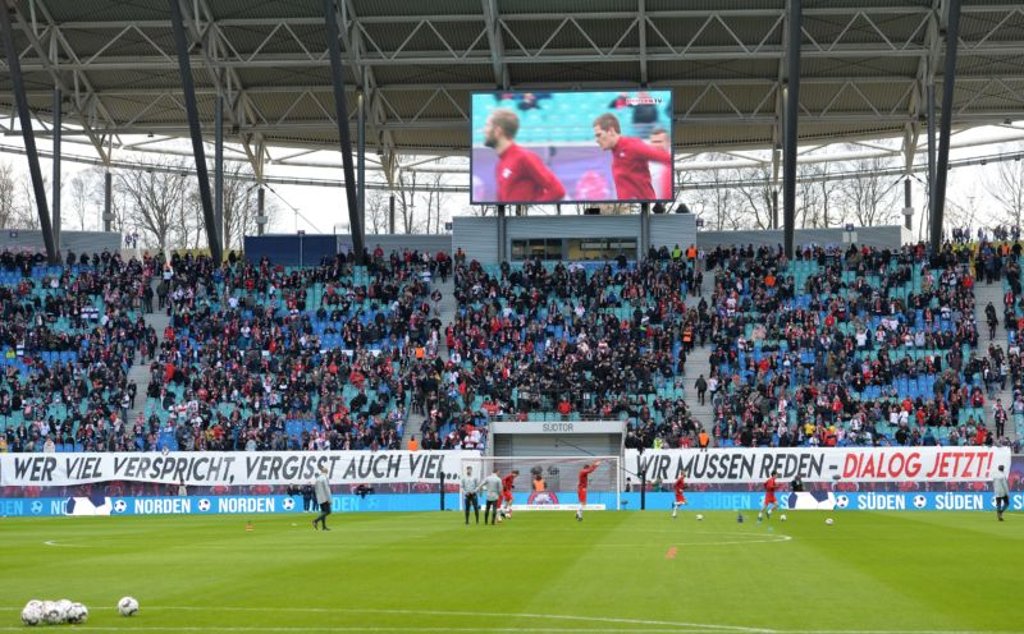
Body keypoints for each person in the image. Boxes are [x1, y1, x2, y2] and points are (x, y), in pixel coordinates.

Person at [483, 108, 566, 203]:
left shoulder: (524, 157)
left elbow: (557, 190)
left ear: (498, 131)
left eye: (487, 125)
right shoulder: (500, 165)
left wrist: (532, 210)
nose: (484, 130)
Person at [592, 113, 672, 200]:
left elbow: (666, 158)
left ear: (611, 131)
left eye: (599, 135)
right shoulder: (616, 152)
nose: (597, 140)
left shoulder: (631, 146)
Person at [312, 465, 332, 531]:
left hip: (319, 497)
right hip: (325, 497)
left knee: (323, 512)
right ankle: (315, 521)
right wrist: (329, 499)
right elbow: (327, 489)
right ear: (326, 472)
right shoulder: (324, 478)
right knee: (328, 511)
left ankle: (323, 527)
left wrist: (318, 496)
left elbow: (316, 489)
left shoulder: (318, 479)